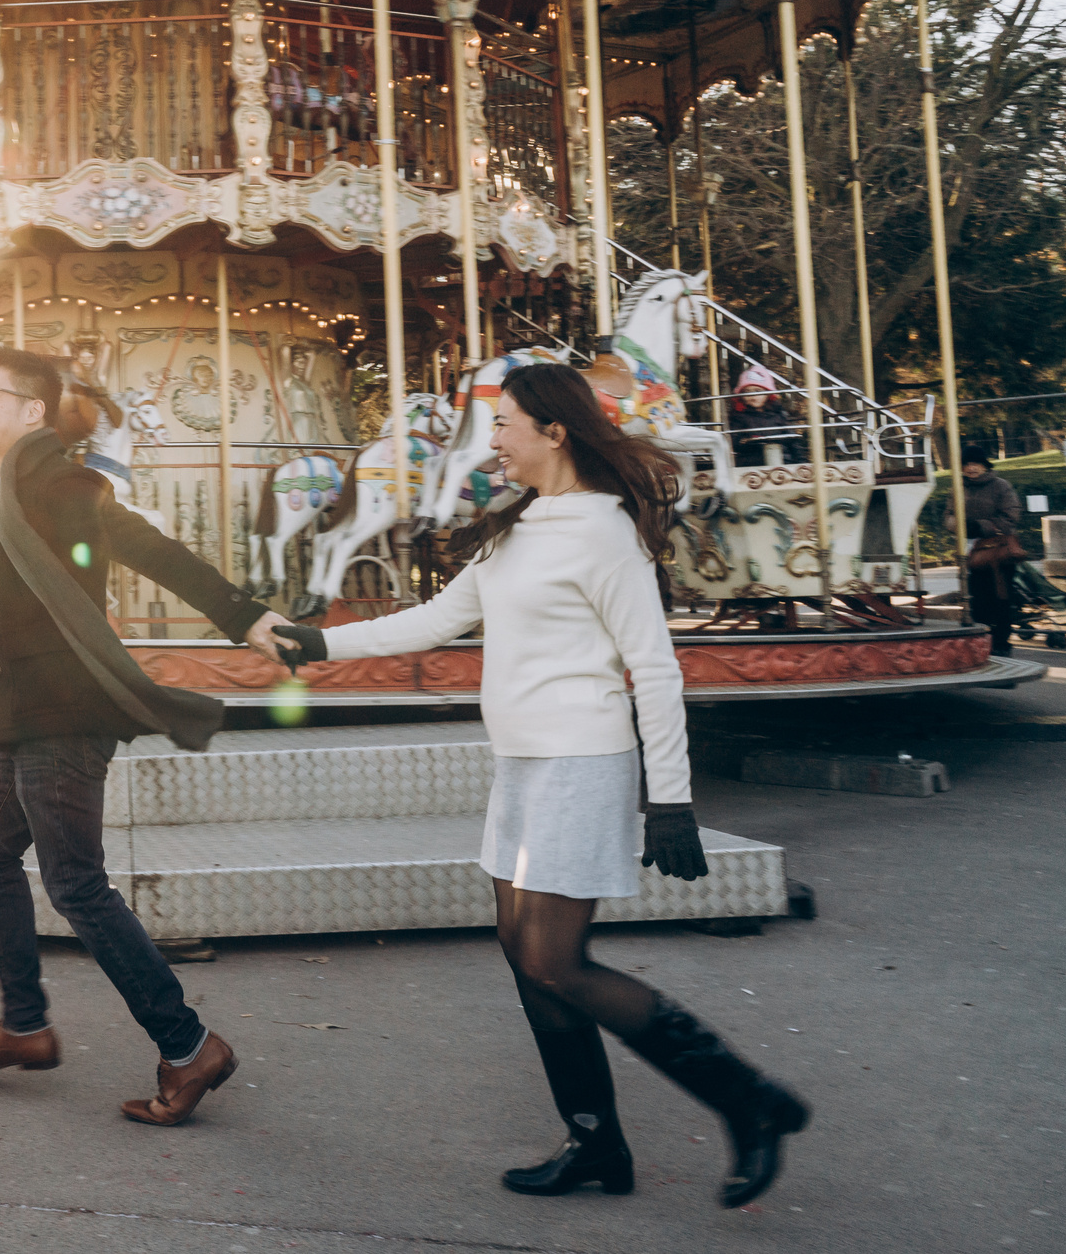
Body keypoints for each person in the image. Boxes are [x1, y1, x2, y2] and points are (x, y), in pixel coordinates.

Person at [257, 363, 808, 1208]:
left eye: (508, 424)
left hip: (581, 761)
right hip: (522, 763)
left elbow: (654, 671)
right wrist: (317, 644)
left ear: (556, 432)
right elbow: (439, 619)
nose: (496, 440)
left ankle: (749, 1100)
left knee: (555, 961)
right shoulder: (520, 525)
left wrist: (672, 798)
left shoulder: (602, 534)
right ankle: (595, 1144)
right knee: (528, 959)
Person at [0, 346, 288, 1127]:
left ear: (33, 412)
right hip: (27, 718)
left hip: (65, 715)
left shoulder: (59, 482)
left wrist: (246, 618)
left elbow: (146, 547)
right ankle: (25, 1027)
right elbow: (1, 624)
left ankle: (188, 1044)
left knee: (77, 887)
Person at [959, 454, 1024, 656]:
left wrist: (980, 526)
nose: (971, 467)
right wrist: (957, 525)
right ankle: (982, 642)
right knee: (976, 596)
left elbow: (1010, 515)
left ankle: (1002, 643)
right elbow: (950, 514)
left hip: (997, 552)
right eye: (967, 463)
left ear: (985, 466)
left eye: (975, 462)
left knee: (1001, 596)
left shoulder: (1000, 486)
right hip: (972, 550)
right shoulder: (959, 487)